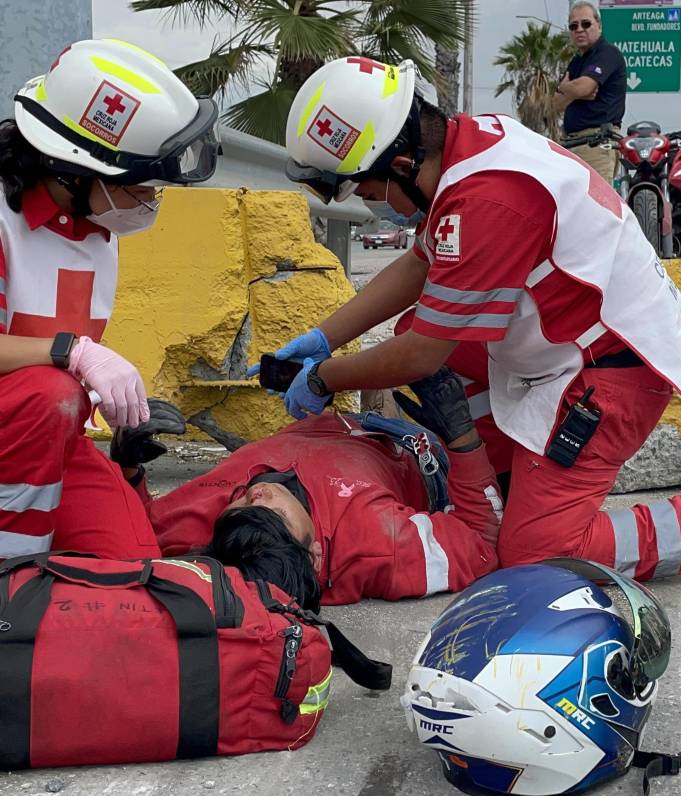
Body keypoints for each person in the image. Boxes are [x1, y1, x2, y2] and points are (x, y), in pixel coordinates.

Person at [273, 56, 681, 589]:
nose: (369, 200)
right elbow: (420, 264)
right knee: (414, 341)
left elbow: (424, 353)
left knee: (533, 555)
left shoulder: (489, 198)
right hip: (580, 343)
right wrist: (327, 336)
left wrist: (326, 376)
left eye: (365, 188)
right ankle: (511, 485)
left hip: (612, 374)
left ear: (399, 163)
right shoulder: (471, 147)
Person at [0, 39, 218, 559]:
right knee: (50, 394)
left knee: (134, 565)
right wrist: (71, 352)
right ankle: (13, 572)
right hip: (34, 417)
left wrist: (126, 450)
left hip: (47, 438)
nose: (150, 198)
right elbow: (53, 377)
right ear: (73, 171)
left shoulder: (97, 230)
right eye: (139, 182)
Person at [119, 369, 503, 610]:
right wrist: (462, 436)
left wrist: (127, 465)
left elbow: (133, 534)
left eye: (241, 502)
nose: (259, 492)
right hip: (415, 450)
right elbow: (482, 545)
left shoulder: (218, 533)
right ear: (316, 555)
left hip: (336, 428)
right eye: (276, 513)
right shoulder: (379, 546)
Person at [553, 1, 627, 181]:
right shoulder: (577, 61)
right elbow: (555, 103)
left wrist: (566, 87)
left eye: (586, 24)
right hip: (572, 143)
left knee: (596, 206)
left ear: (599, 26)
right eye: (573, 26)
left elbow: (583, 88)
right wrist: (575, 92)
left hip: (598, 143)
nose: (579, 29)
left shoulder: (608, 53)